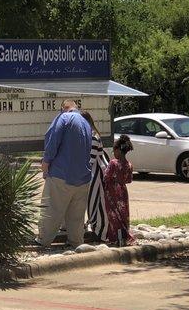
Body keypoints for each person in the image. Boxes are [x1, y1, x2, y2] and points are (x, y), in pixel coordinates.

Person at [36, 99, 92, 248]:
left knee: (51, 210)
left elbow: (53, 141)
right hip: (83, 178)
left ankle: (43, 240)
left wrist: (46, 163)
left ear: (63, 108)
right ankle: (76, 243)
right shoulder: (86, 123)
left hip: (61, 175)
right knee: (76, 216)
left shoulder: (64, 118)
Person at [80, 111, 110, 241]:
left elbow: (90, 159)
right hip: (95, 172)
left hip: (95, 173)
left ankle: (99, 231)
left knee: (94, 202)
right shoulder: (93, 134)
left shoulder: (93, 136)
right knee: (96, 202)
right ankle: (98, 230)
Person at [104, 134, 134, 246]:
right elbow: (129, 180)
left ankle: (114, 237)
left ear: (118, 150)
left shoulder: (113, 163)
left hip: (112, 191)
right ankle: (123, 236)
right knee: (123, 214)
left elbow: (106, 176)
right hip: (123, 191)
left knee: (112, 214)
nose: (113, 153)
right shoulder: (129, 165)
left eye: (114, 151)